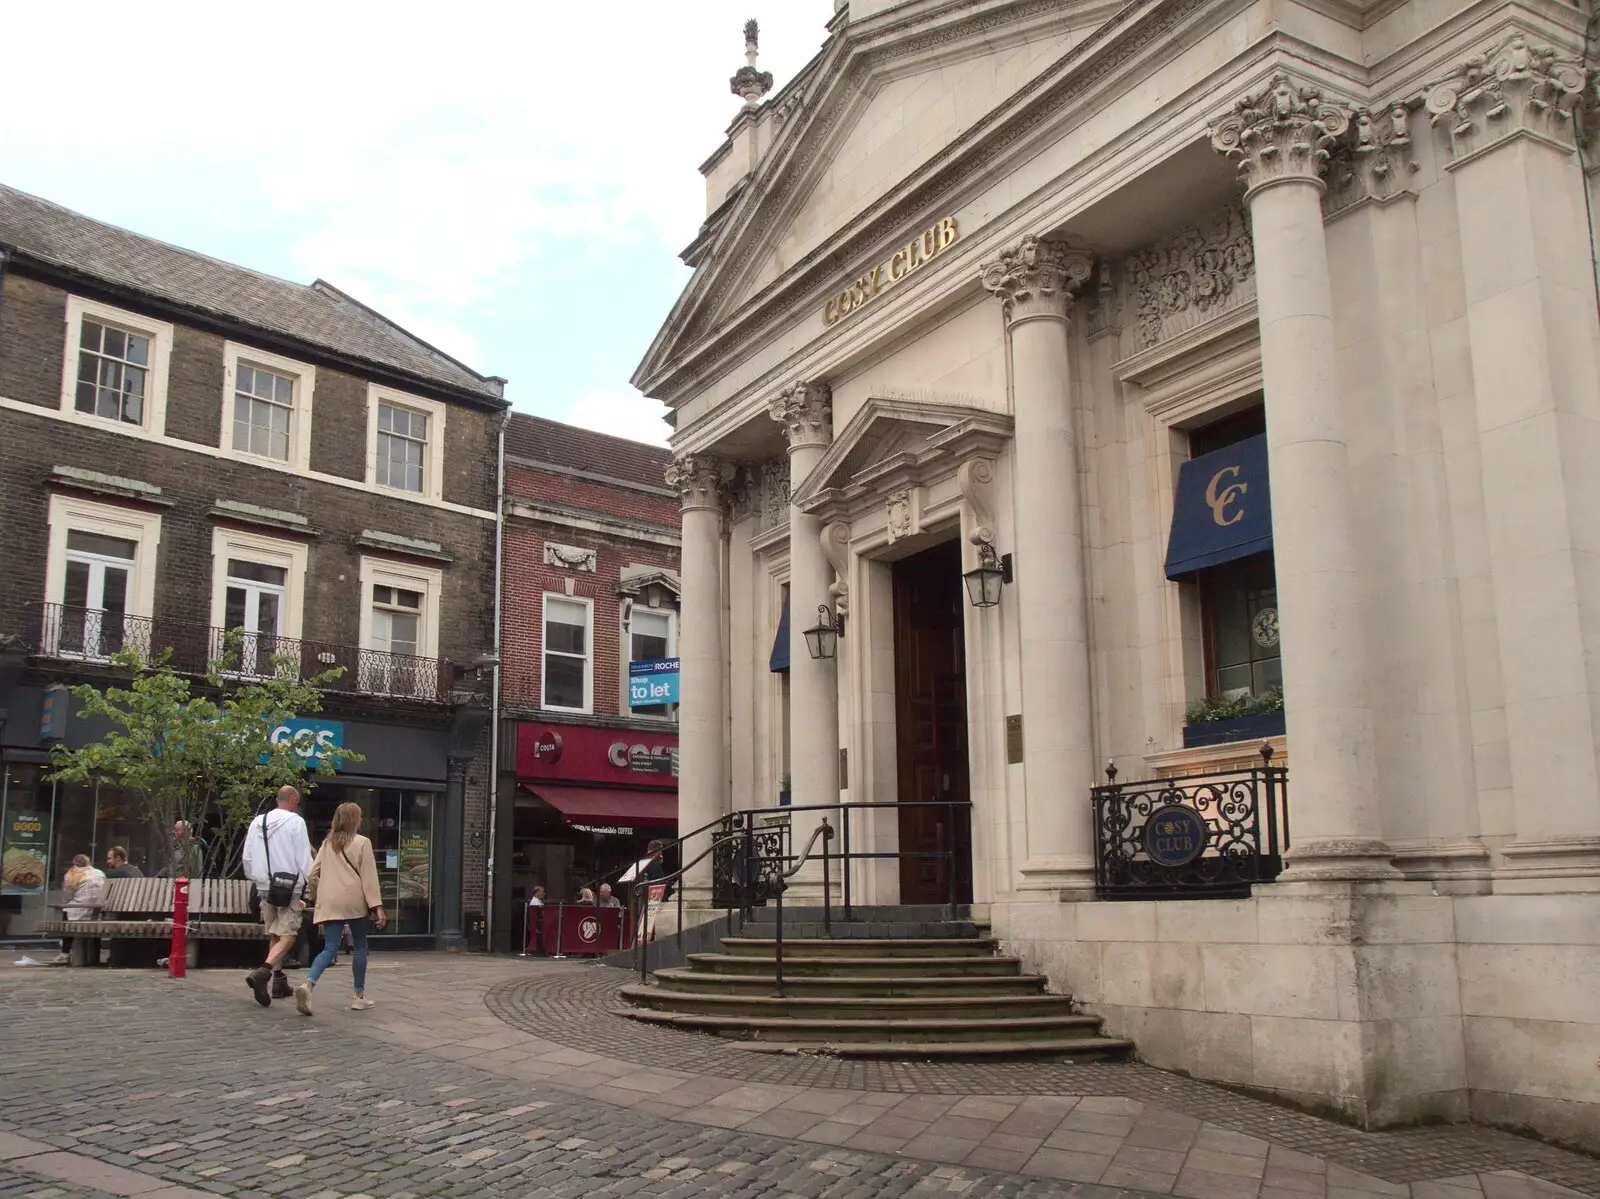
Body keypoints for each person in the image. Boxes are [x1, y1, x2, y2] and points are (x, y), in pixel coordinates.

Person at [294, 802, 385, 1015]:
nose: (361, 820)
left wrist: (317, 895)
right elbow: (369, 878)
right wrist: (378, 907)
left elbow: (311, 874)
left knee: (330, 947)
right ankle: (358, 996)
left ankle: (308, 984)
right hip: (354, 901)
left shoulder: (327, 844)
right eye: (360, 817)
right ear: (354, 820)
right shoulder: (363, 843)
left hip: (330, 901)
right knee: (360, 946)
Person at [240, 786, 313, 1007]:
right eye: (297, 802)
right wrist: (309, 883)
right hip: (288, 886)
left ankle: (278, 982)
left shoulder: (258, 822)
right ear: (292, 800)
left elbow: (248, 857)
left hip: (264, 884)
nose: (297, 806)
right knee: (289, 934)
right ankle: (264, 971)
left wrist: (257, 878)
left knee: (275, 931)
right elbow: (303, 857)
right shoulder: (295, 822)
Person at [55, 854, 107, 965]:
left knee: (66, 910)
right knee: (91, 923)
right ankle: (93, 954)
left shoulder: (72, 875)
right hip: (96, 913)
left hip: (77, 913)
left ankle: (65, 952)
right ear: (89, 863)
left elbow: (67, 897)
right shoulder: (100, 873)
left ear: (75, 864)